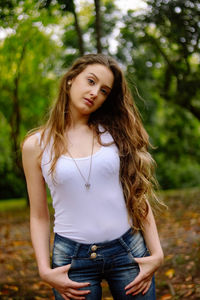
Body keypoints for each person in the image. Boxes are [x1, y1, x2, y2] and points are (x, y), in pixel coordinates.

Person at [22, 53, 164, 300]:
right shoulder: (36, 145)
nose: (95, 92)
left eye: (104, 90)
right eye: (91, 81)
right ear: (70, 80)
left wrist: (157, 254)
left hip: (128, 251)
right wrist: (44, 269)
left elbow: (137, 195)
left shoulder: (114, 135)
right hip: (72, 260)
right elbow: (38, 214)